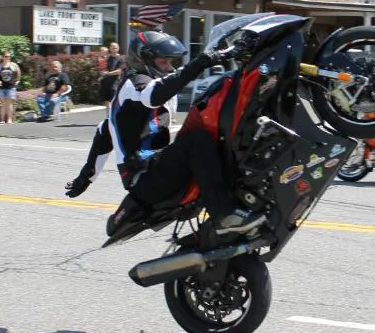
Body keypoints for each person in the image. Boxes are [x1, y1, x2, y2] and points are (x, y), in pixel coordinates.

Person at [64, 31, 264, 237]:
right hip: (144, 176)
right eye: (164, 62)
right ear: (145, 60)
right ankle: (224, 215)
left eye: (171, 62)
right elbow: (153, 94)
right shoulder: (134, 83)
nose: (170, 67)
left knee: (215, 136)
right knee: (196, 141)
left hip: (157, 169)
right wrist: (202, 62)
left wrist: (85, 178)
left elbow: (103, 133)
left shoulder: (135, 92)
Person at [99, 41, 127, 111]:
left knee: (114, 100)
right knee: (106, 100)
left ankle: (114, 116)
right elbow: (102, 68)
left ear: (118, 48)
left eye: (115, 48)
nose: (114, 49)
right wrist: (101, 72)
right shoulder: (106, 58)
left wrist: (108, 73)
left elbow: (119, 71)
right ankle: (108, 117)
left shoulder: (122, 58)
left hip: (116, 82)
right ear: (110, 49)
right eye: (112, 48)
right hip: (105, 82)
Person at [0, 50, 21, 124]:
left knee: (9, 103)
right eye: (6, 56)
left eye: (9, 56)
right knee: (3, 104)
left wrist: (18, 80)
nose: (8, 58)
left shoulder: (13, 65)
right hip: (2, 87)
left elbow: (18, 72)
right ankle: (2, 119)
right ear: (2, 57)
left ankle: (9, 119)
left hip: (11, 87)